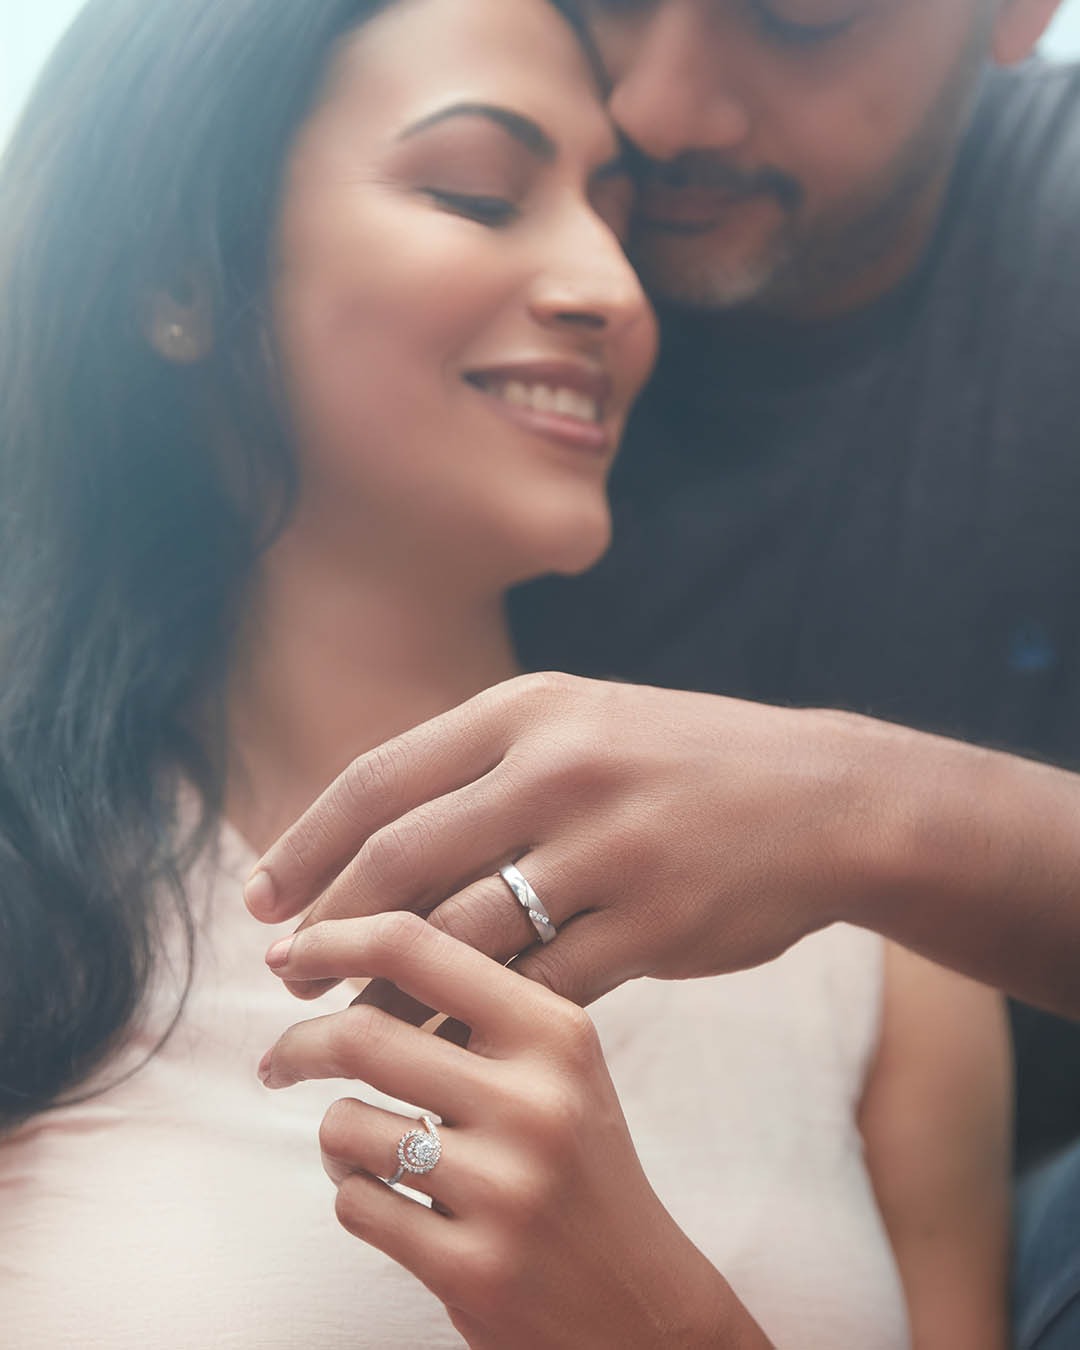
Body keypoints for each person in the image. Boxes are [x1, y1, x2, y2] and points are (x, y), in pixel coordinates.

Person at [0, 0, 1010, 1346]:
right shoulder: (38, 918)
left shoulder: (878, 955)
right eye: (480, 193)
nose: (610, 286)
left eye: (612, 211)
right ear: (180, 277)